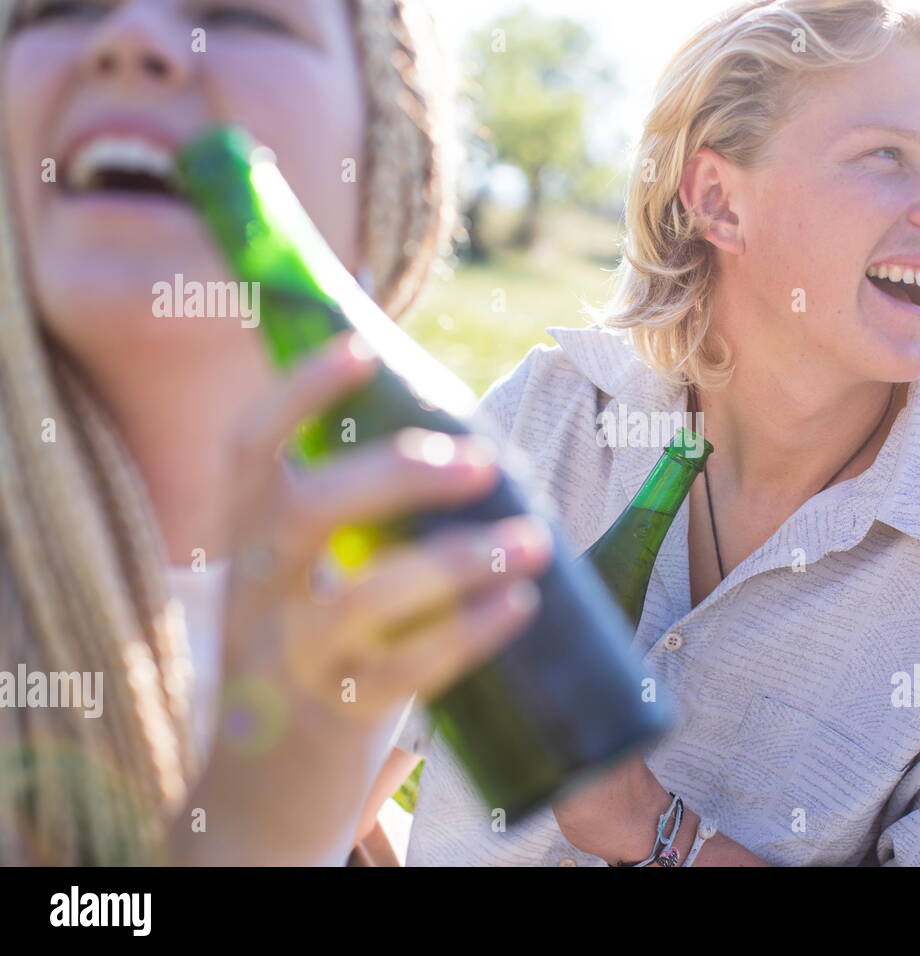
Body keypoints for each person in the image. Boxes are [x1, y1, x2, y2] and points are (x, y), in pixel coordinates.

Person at [368, 0, 920, 866]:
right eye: (888, 155)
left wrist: (653, 829)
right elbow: (351, 765)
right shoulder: (550, 417)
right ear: (719, 201)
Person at [0, 0, 552, 865]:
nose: (131, 39)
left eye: (236, 12)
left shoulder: (371, 552)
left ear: (385, 163)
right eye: (60, 6)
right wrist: (264, 823)